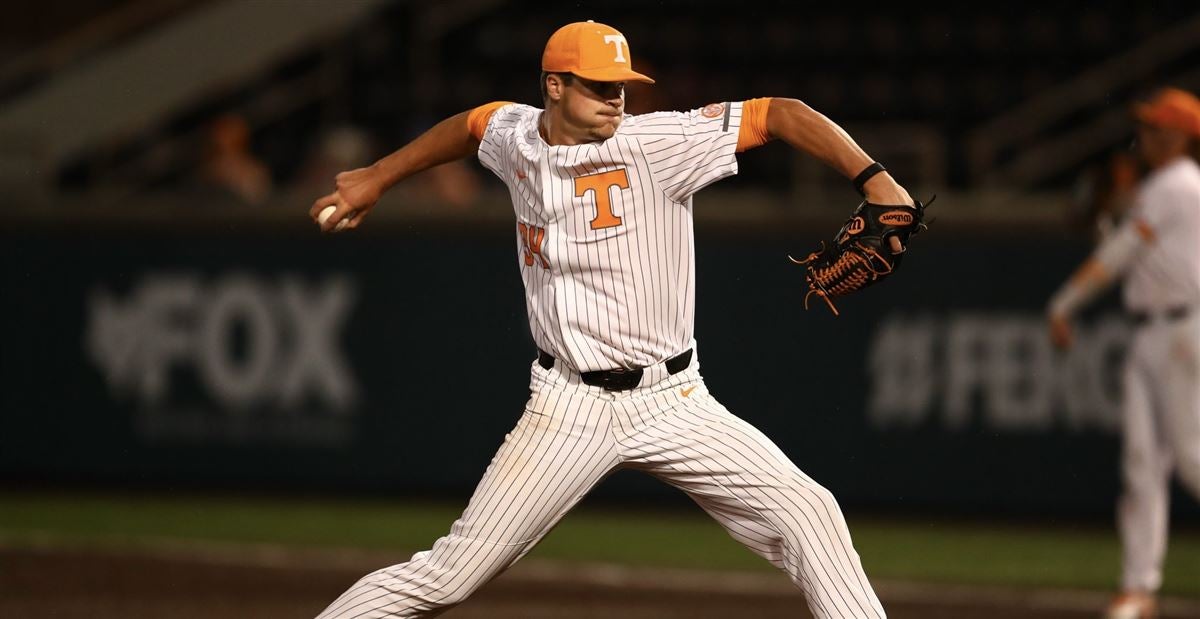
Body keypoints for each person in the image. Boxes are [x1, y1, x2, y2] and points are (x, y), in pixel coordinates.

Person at [310, 20, 917, 619]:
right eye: (598, 86)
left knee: (809, 514)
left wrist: (877, 182)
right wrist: (377, 176)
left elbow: (781, 113)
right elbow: (473, 125)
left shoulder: (655, 143)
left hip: (675, 399)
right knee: (445, 580)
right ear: (553, 86)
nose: (616, 98)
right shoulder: (517, 135)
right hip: (567, 406)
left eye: (620, 85)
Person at [1046, 87, 1200, 619]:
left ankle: (1139, 587)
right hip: (1150, 333)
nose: (1148, 136)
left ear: (1181, 137)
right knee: (1142, 465)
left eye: (1158, 128)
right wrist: (1113, 209)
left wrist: (1063, 303)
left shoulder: (1179, 184)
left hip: (1184, 330)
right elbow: (1126, 245)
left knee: (1192, 461)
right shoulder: (1159, 189)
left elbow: (1117, 255)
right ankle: (1138, 587)